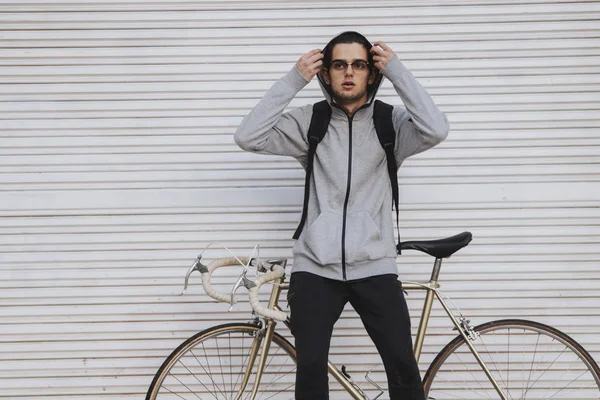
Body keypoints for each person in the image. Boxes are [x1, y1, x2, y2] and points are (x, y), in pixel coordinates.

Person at [234, 31, 449, 400]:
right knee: (311, 375)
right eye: (339, 64)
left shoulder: (390, 124)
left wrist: (397, 71)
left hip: (376, 266)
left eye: (359, 65)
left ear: (371, 73)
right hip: (316, 269)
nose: (349, 72)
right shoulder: (310, 123)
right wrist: (293, 79)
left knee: (403, 372)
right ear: (325, 73)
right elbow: (248, 136)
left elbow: (436, 129)